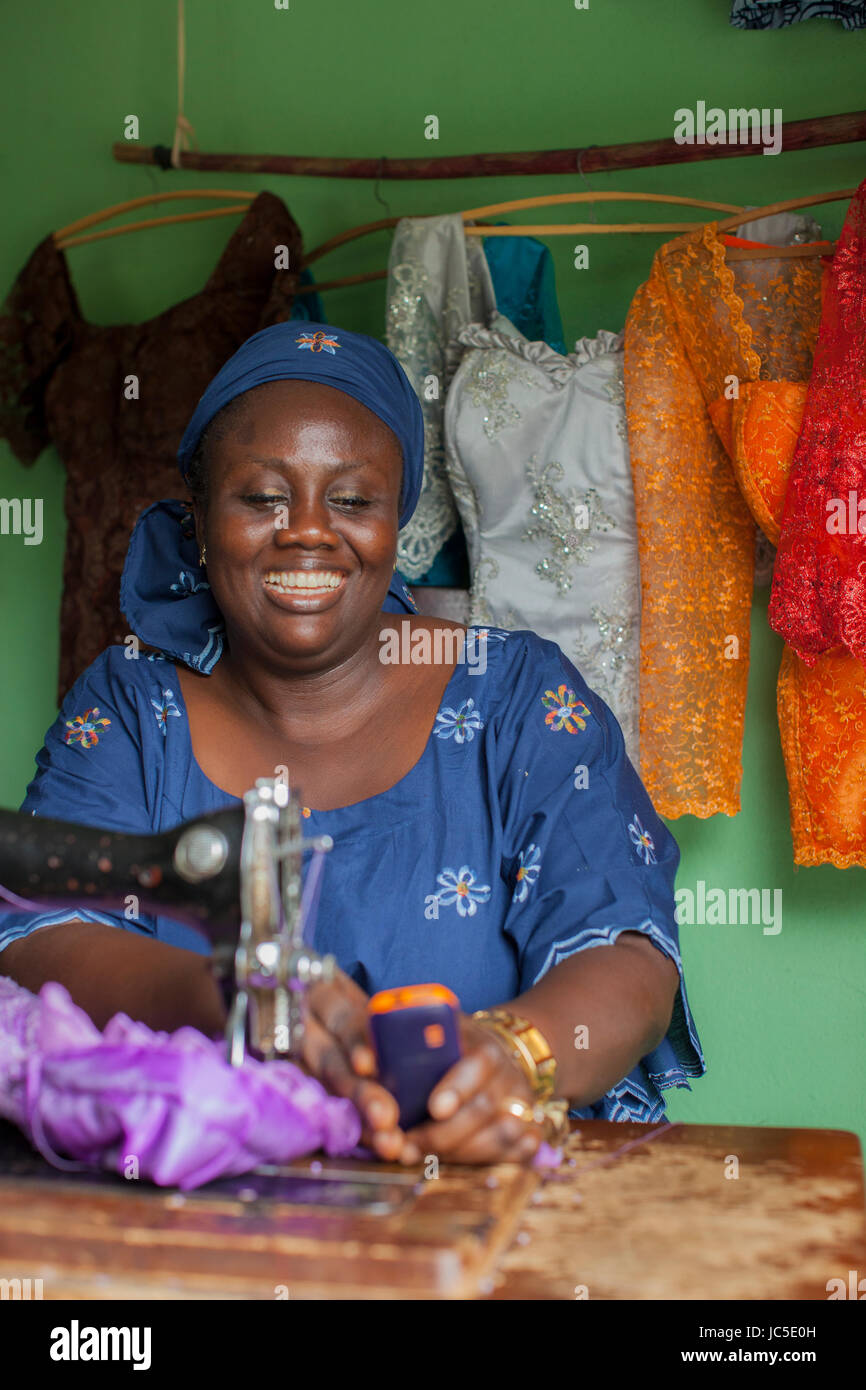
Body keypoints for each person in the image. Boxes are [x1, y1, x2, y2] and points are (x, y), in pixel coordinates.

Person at [0, 321, 704, 1165]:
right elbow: (40, 934)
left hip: (479, 1212)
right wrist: (232, 998)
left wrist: (513, 1056)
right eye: (262, 497)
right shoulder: (128, 711)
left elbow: (626, 949)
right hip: (196, 1216)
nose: (306, 531)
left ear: (396, 522)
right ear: (199, 518)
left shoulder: (518, 702)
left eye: (352, 499)